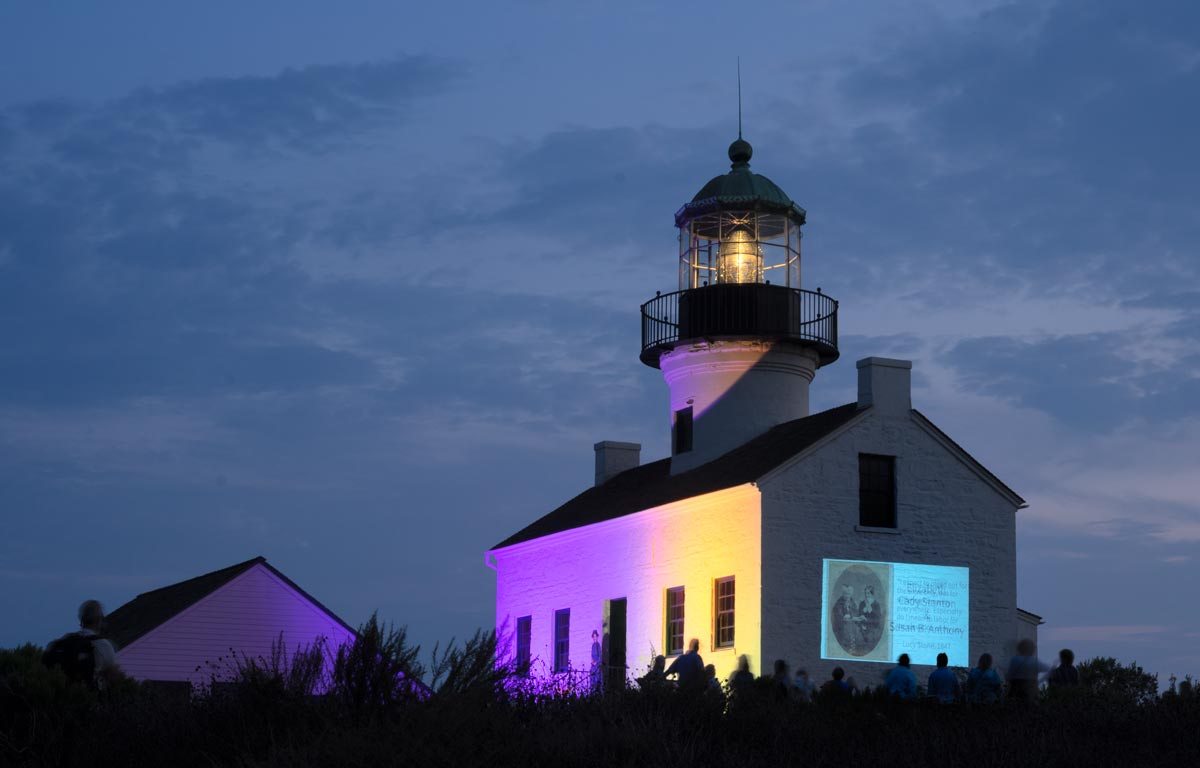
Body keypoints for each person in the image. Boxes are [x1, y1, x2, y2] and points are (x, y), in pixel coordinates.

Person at [43, 599, 121, 689]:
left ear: (82, 619)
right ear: (99, 620)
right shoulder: (103, 645)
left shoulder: (65, 639)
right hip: (88, 695)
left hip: (60, 693)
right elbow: (113, 678)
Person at [1007, 639, 1049, 703]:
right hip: (1031, 690)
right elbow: (1048, 669)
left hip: (1015, 689)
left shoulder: (1015, 660)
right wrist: (1040, 680)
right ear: (1032, 649)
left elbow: (1009, 675)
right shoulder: (1034, 661)